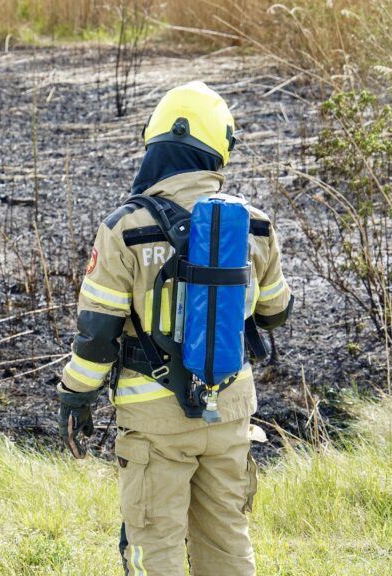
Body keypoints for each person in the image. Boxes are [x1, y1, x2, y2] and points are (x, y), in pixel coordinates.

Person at [56, 81, 293, 576]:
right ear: (218, 149)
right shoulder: (255, 224)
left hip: (153, 420)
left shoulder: (125, 227)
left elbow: (97, 335)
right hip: (230, 411)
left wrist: (75, 396)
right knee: (228, 541)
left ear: (156, 143)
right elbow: (276, 313)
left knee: (154, 544)